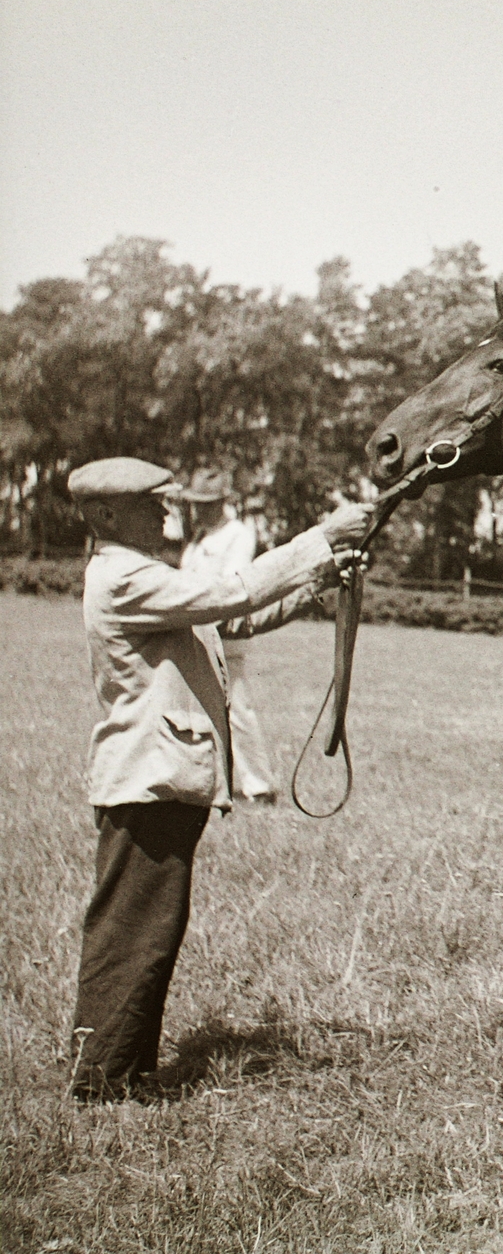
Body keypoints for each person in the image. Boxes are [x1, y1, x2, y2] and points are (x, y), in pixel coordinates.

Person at [66, 456, 372, 1102]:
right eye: (152, 504)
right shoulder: (122, 577)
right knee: (133, 931)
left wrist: (322, 577)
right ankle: (100, 1079)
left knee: (151, 929)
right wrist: (322, 537)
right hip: (147, 780)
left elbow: (234, 618)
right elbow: (231, 593)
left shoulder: (147, 576)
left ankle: (122, 1070)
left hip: (162, 778)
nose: (166, 513)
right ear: (104, 515)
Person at [179, 467, 280, 805]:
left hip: (224, 632)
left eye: (207, 503)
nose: (200, 509)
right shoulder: (199, 538)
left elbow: (230, 582)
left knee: (235, 709)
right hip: (194, 629)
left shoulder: (237, 534)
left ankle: (259, 784)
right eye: (197, 503)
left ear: (223, 502)